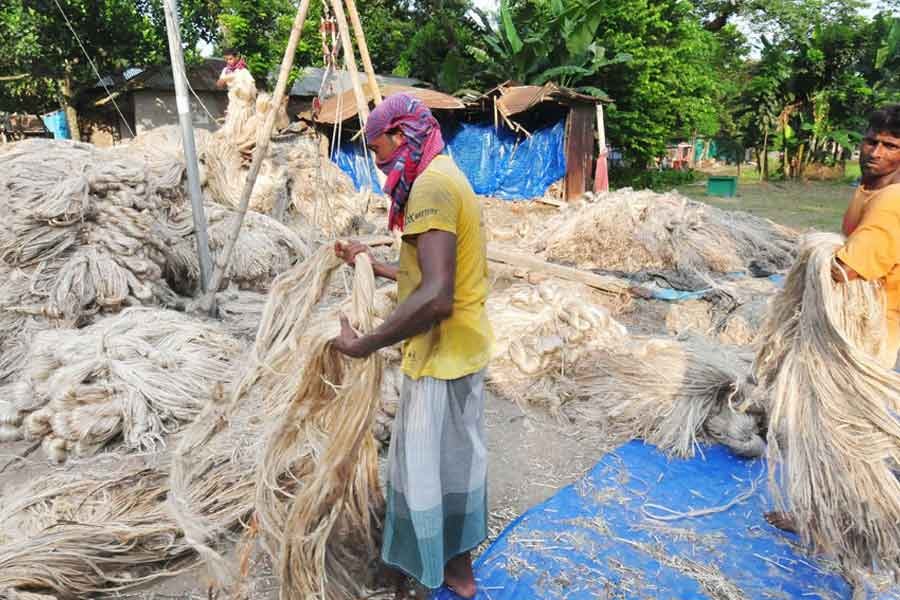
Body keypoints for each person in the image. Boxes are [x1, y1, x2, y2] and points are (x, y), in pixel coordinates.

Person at [331, 93, 492, 599]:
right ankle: (457, 572)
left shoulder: (432, 188)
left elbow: (436, 295)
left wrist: (368, 344)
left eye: (379, 150)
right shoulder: (444, 174)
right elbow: (427, 271)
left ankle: (419, 576)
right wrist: (369, 262)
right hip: (463, 348)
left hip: (441, 355)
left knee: (419, 471)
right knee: (455, 465)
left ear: (401, 135)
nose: (379, 164)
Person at [765, 104, 900, 533]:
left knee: (840, 428)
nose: (875, 152)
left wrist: (815, 252)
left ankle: (838, 521)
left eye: (891, 146)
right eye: (871, 141)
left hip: (870, 331)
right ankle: (824, 512)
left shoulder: (893, 203)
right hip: (858, 325)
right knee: (830, 423)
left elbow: (848, 268)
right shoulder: (870, 189)